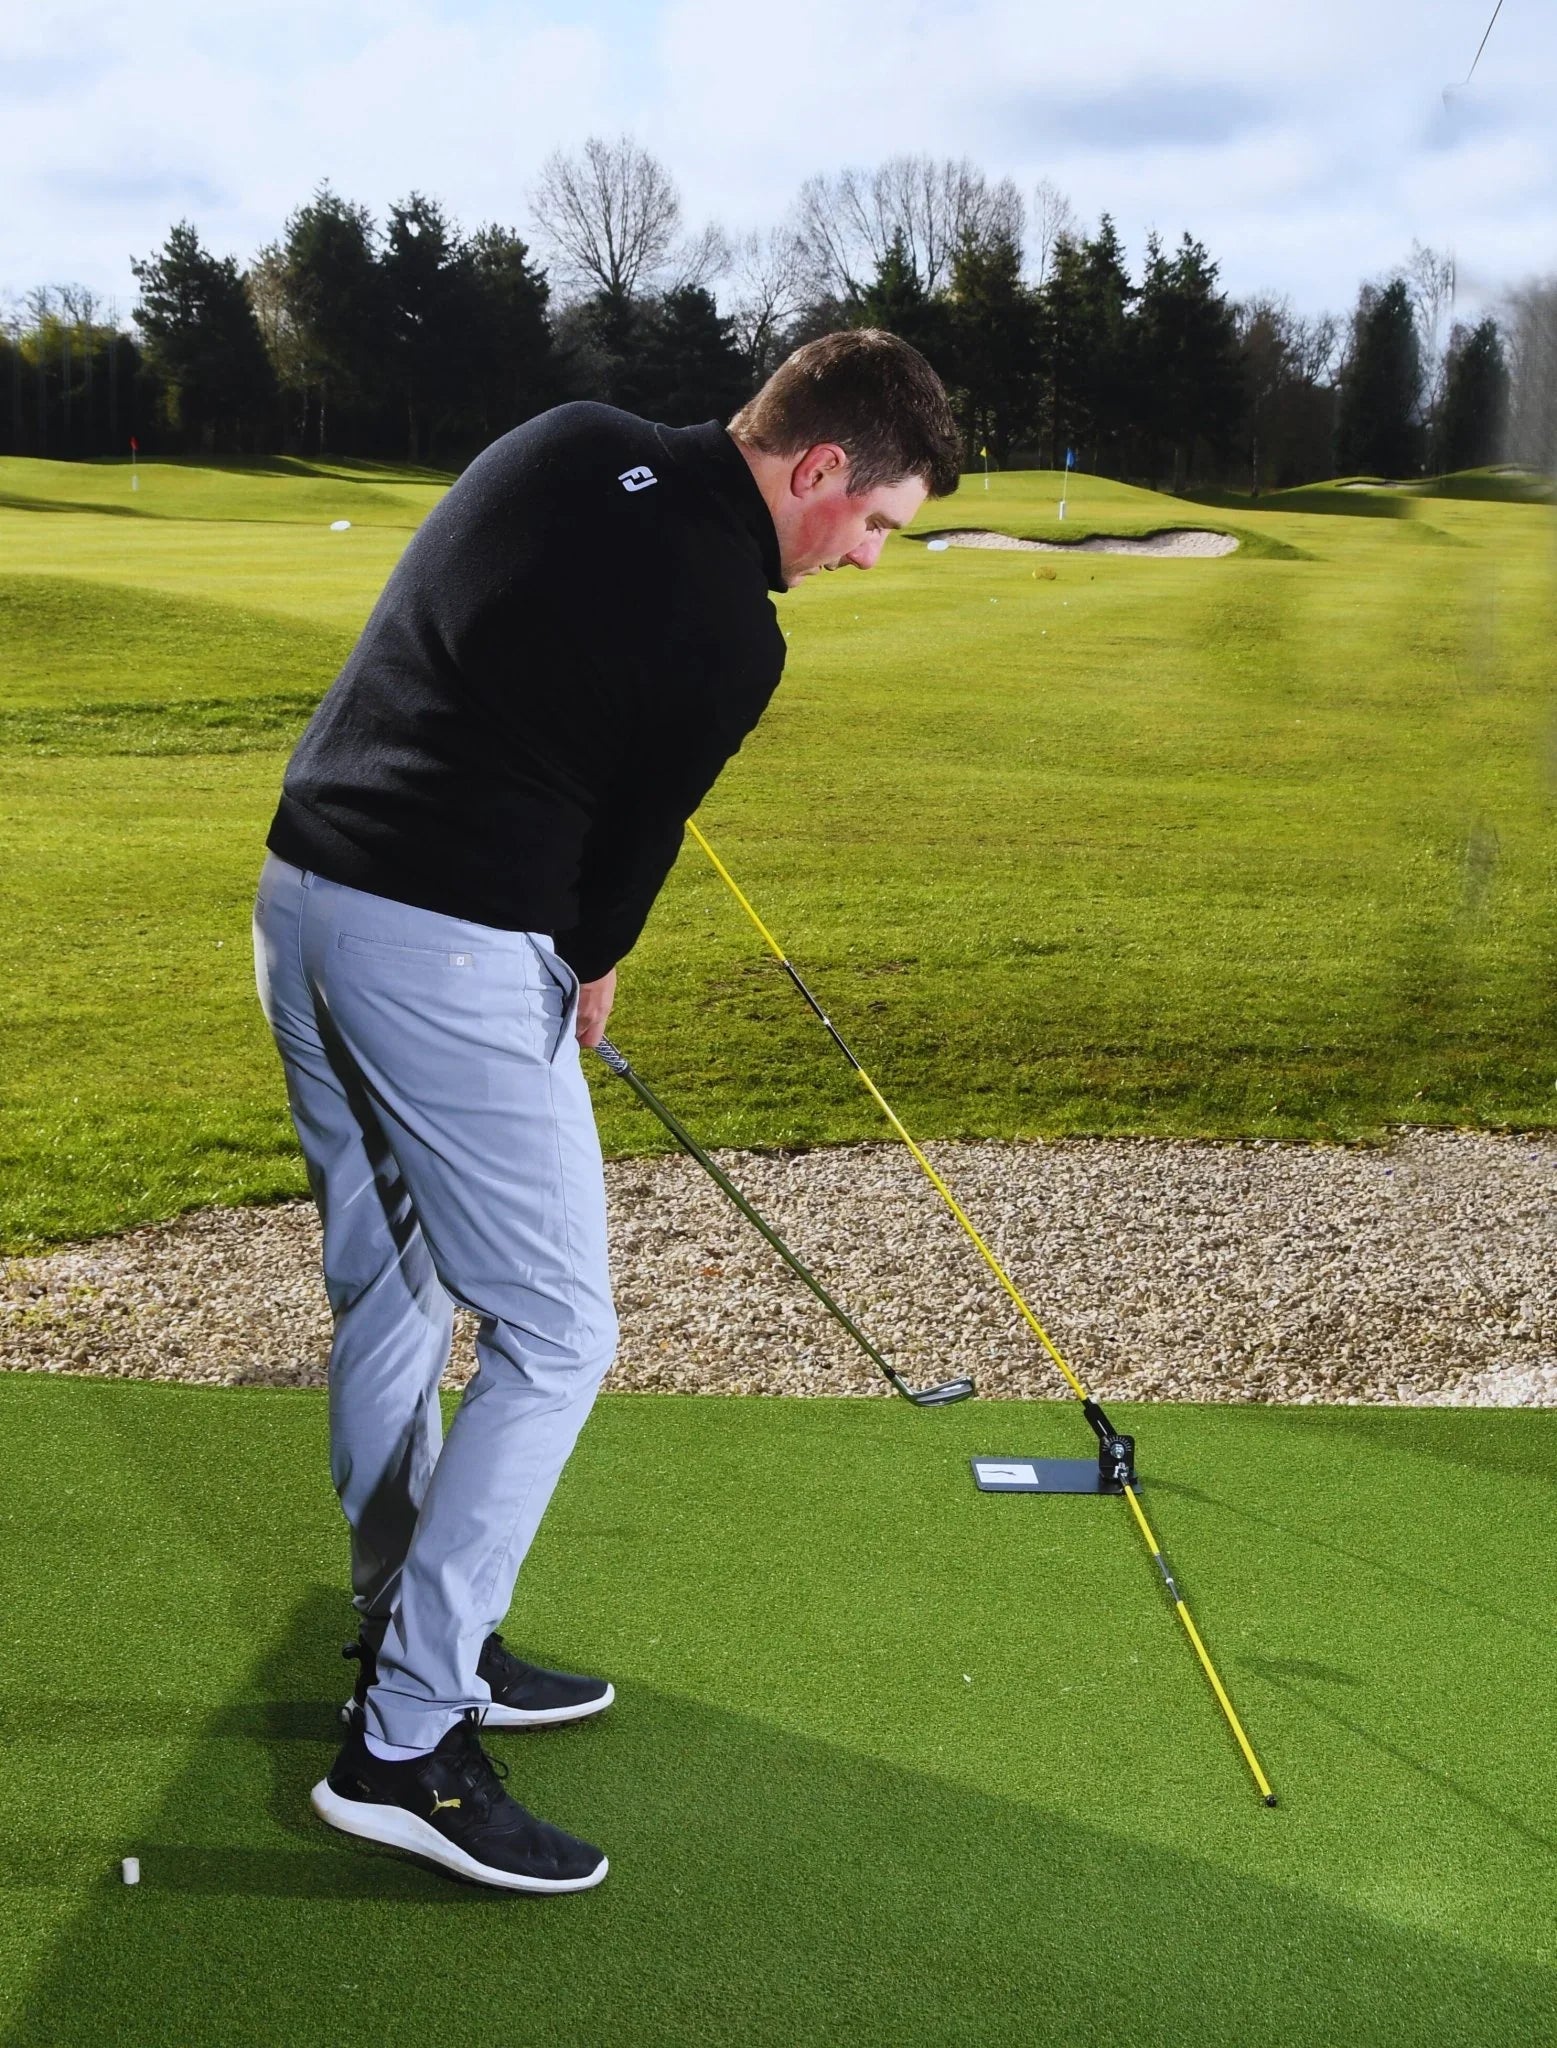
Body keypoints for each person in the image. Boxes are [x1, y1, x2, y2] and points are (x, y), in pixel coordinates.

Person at [251, 329, 962, 1893]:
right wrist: (585, 959)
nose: (864, 557)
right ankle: (402, 1745)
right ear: (819, 468)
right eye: (876, 524)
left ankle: (406, 1632)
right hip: (439, 947)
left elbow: (470, 643)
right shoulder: (733, 630)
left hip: (301, 897)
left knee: (394, 1285)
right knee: (561, 1332)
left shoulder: (567, 435)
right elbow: (624, 866)